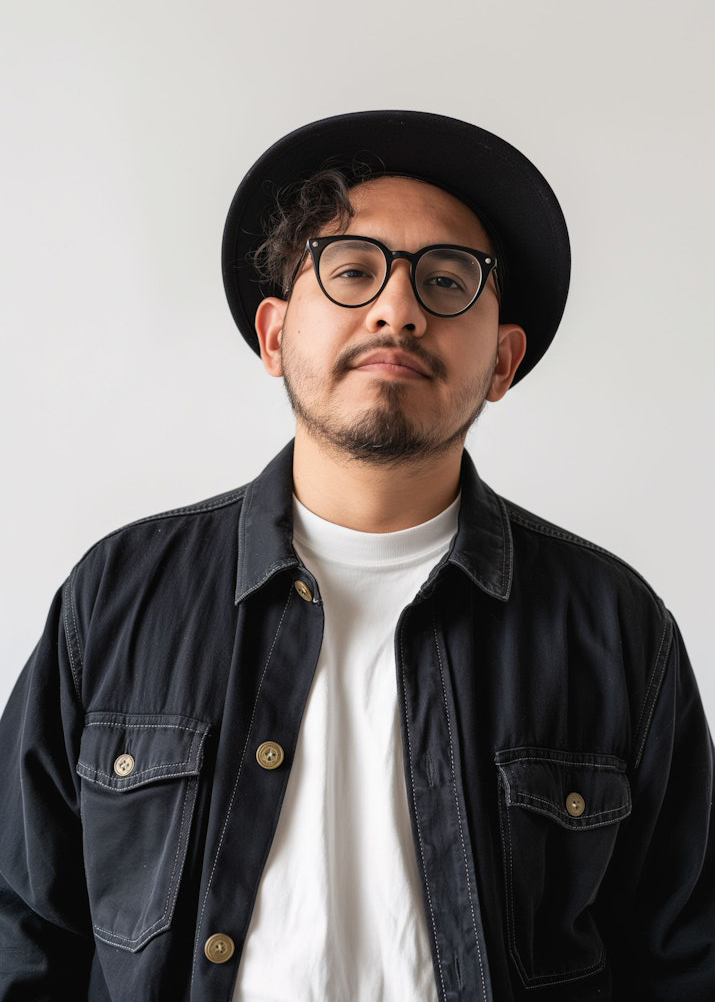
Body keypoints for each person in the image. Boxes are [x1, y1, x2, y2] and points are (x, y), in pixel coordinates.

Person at [0, 110, 712, 1002]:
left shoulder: (612, 625)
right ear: (273, 335)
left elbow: (684, 958)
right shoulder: (117, 596)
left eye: (446, 280)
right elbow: (20, 933)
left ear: (502, 361)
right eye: (350, 271)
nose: (396, 308)